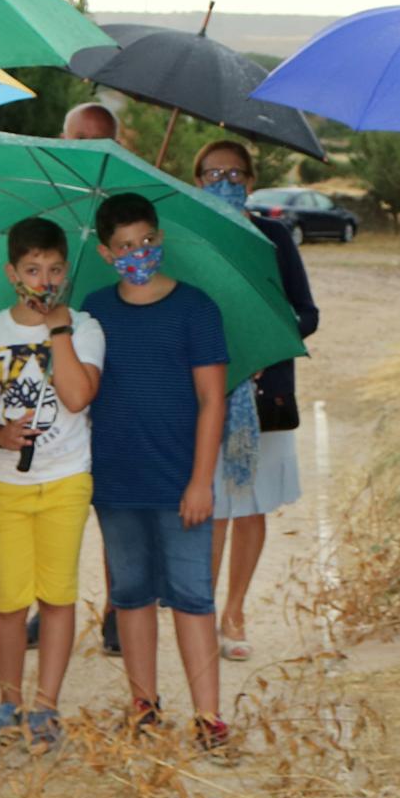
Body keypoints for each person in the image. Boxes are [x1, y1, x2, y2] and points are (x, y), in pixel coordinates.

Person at [83, 192, 233, 748]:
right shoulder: (92, 311)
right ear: (105, 253)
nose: (138, 253)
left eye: (147, 241)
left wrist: (200, 481)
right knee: (131, 594)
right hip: (117, 481)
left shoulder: (196, 308)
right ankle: (143, 706)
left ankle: (208, 716)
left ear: (160, 238)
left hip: (180, 483)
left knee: (193, 596)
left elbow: (212, 401)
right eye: (125, 246)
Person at [0, 216, 105, 748]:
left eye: (54, 270)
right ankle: (8, 701)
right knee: (9, 599)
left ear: (66, 274)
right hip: (5, 483)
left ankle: (46, 706)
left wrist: (59, 331)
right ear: (12, 273)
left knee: (57, 596)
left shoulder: (85, 327)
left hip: (66, 479)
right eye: (32, 270)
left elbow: (76, 397)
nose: (44, 281)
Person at [192, 139, 318, 662]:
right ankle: (201, 612)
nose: (224, 181)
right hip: (205, 393)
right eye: (213, 173)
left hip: (264, 394)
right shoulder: (189, 237)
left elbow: (306, 313)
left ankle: (235, 612)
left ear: (250, 180)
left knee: (251, 505)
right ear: (197, 180)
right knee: (212, 507)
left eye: (235, 173)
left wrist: (266, 343)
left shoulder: (274, 237)